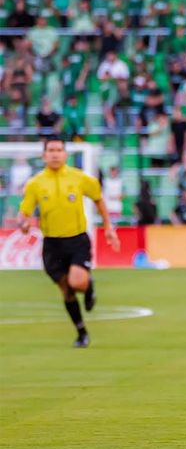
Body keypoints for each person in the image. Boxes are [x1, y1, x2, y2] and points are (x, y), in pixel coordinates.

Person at [16, 138, 121, 348]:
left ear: (65, 154)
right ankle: (81, 333)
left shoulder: (79, 178)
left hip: (76, 240)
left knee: (77, 282)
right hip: (52, 245)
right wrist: (23, 223)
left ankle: (88, 287)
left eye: (59, 150)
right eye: (51, 150)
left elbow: (98, 198)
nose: (55, 154)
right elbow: (24, 211)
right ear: (44, 155)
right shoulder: (35, 183)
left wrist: (108, 227)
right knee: (66, 290)